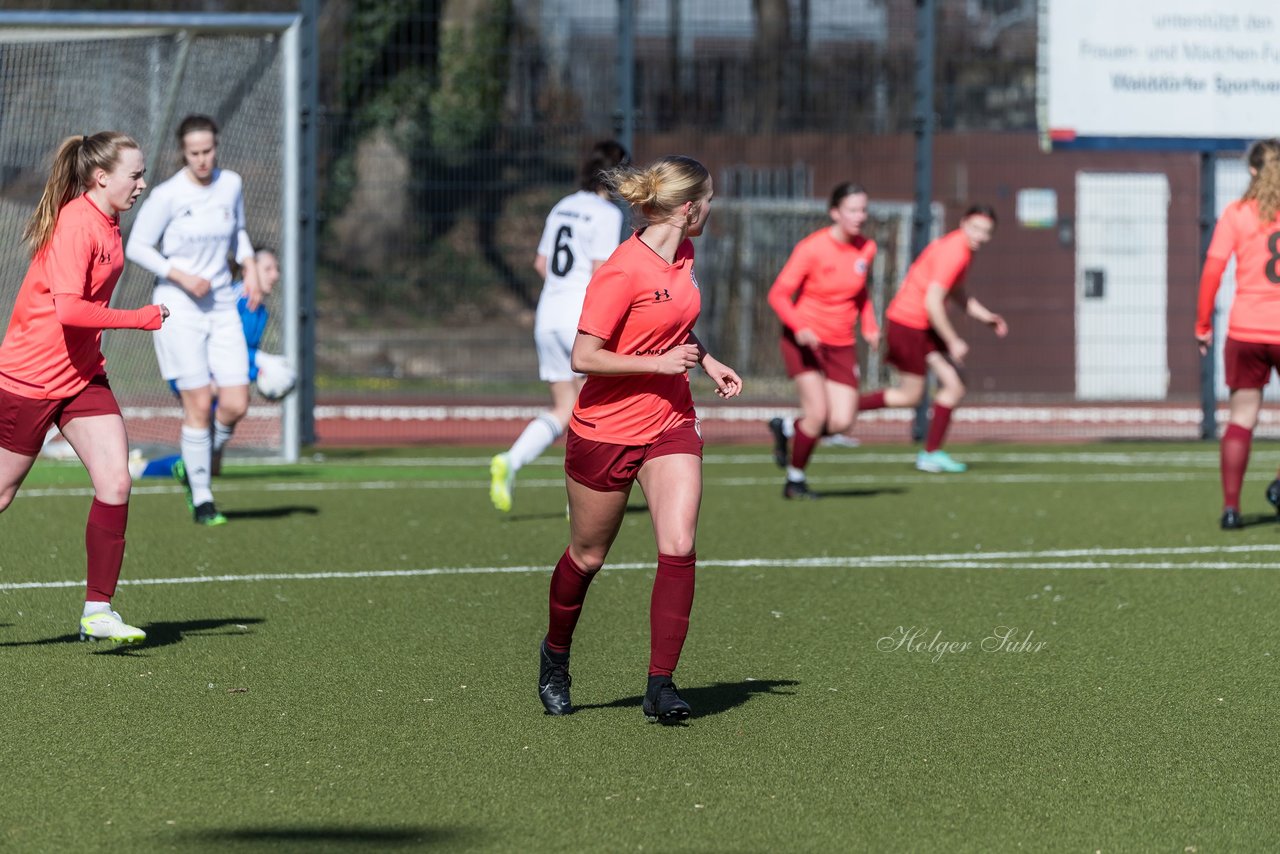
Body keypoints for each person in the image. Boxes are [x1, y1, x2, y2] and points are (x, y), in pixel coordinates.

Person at [536, 155, 742, 723]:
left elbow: (674, 325)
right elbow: (584, 357)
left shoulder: (686, 253)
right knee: (588, 555)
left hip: (671, 421)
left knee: (678, 546)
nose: (711, 210)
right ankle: (555, 656)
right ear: (689, 207)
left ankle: (660, 685)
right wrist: (660, 366)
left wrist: (708, 359)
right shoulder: (623, 269)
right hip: (606, 429)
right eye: (709, 201)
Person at [0, 132, 167, 644]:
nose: (142, 183)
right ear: (102, 178)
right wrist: (139, 319)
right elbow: (69, 310)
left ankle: (98, 610)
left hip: (81, 376)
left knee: (116, 481)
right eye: (134, 175)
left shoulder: (109, 221)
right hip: (29, 378)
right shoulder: (78, 223)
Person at [126, 114, 260, 526]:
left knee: (236, 403)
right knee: (199, 403)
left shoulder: (231, 184)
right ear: (183, 153)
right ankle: (202, 498)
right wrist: (181, 275)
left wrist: (250, 264)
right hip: (178, 306)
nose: (203, 159)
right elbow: (138, 246)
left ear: (216, 147)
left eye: (209, 150)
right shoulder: (167, 195)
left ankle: (191, 461)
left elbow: (237, 231)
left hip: (220, 305)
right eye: (194, 152)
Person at [490, 140, 628, 512]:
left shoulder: (562, 205)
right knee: (594, 408)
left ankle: (511, 461)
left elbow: (541, 263)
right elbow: (601, 274)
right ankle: (581, 496)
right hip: (579, 318)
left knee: (564, 407)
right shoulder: (607, 214)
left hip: (548, 316)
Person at [855, 205, 1008, 473]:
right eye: (975, 228)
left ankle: (931, 453)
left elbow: (956, 291)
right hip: (909, 325)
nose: (979, 235)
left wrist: (986, 317)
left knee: (955, 384)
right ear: (963, 223)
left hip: (921, 326)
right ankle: (839, 411)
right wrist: (952, 340)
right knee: (909, 395)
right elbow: (933, 302)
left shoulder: (963, 249)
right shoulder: (955, 251)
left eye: (986, 231)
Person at [766, 182, 880, 499]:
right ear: (835, 213)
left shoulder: (866, 248)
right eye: (853, 210)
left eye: (864, 209)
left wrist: (870, 325)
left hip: (841, 343)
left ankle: (787, 427)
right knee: (816, 415)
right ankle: (795, 480)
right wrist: (800, 326)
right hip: (804, 341)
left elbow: (861, 294)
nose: (860, 216)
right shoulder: (812, 248)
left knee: (842, 420)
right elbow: (777, 294)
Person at [1195, 139, 1280, 530]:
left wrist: (1202, 325)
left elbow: (1212, 272)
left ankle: (1231, 509)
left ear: (1251, 170)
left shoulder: (1238, 213)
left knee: (1242, 417)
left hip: (1246, 329)